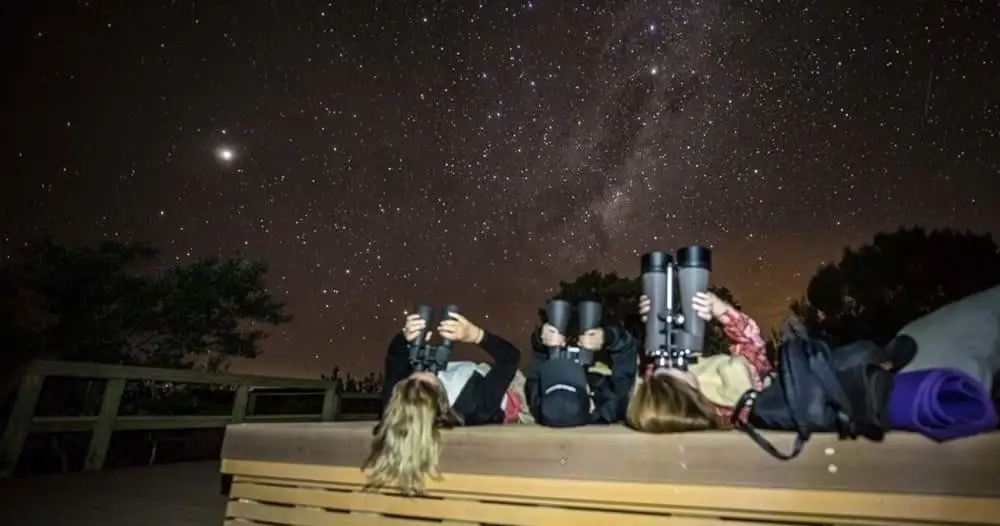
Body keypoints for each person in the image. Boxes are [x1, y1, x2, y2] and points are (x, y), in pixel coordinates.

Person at [363, 311, 523, 494]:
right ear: (441, 402)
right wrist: (476, 335)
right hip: (509, 394)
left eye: (411, 377)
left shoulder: (398, 404)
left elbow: (394, 361)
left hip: (474, 377)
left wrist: (405, 338)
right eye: (431, 377)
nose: (422, 370)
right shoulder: (474, 404)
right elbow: (510, 358)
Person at [626, 291, 772, 433]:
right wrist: (723, 312)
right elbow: (754, 348)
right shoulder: (732, 402)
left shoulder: (676, 389)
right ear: (686, 398)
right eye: (680, 367)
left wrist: (653, 323)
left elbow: (650, 369)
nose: (672, 360)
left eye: (661, 364)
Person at [526, 317, 638, 427]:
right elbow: (627, 353)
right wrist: (607, 336)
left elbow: (535, 373)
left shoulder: (544, 410)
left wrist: (542, 338)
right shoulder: (609, 408)